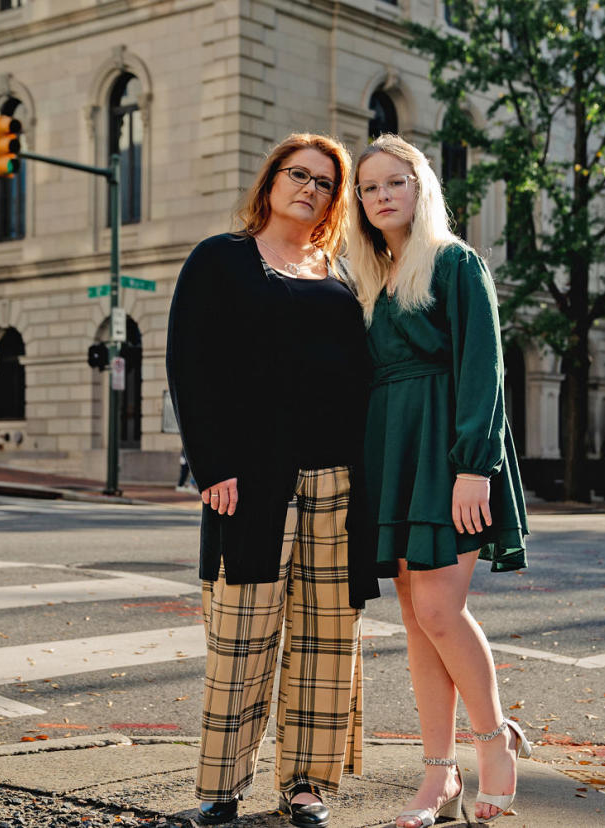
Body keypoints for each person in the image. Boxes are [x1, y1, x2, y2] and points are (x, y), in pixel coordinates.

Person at [165, 133, 378, 828]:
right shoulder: (221, 260)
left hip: (339, 481)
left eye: (325, 182)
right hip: (251, 481)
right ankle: (221, 788)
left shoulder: (340, 274)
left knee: (326, 639)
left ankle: (307, 784)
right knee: (242, 635)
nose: (310, 188)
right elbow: (190, 366)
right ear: (271, 181)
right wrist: (212, 462)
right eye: (299, 174)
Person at [346, 134, 530, 826]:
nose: (381, 195)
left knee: (439, 611)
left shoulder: (454, 263)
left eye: (395, 182)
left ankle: (494, 744)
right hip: (392, 452)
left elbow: (485, 367)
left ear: (421, 188)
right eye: (369, 188)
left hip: (449, 454)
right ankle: (437, 776)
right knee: (417, 624)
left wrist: (473, 466)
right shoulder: (372, 276)